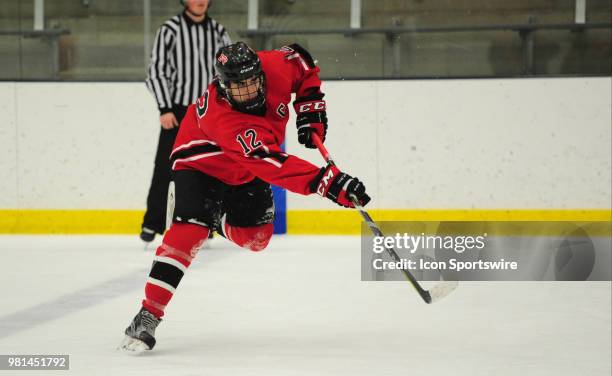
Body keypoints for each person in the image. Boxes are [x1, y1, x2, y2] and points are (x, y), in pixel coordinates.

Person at [119, 42, 370, 352]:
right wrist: (327, 183)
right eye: (239, 86)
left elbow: (302, 59)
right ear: (224, 86)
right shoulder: (223, 117)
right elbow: (271, 164)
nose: (249, 90)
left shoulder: (274, 66)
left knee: (258, 239)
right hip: (201, 163)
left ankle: (217, 220)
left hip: (245, 167)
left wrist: (310, 107)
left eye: (253, 81)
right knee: (191, 231)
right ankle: (147, 315)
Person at [141, 0, 232, 243]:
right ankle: (153, 222)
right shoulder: (169, 30)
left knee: (210, 168)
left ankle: (207, 221)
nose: (200, 1)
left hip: (210, 113)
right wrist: (165, 107)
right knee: (166, 167)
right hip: (178, 111)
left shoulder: (219, 31)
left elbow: (230, 71)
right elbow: (157, 71)